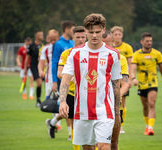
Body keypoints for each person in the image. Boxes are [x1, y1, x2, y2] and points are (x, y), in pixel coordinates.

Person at [59, 13, 121, 150]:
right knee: (87, 148)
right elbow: (65, 80)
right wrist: (62, 101)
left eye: (98, 32)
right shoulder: (74, 53)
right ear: (85, 31)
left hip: (105, 110)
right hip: (82, 111)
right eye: (91, 32)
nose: (94, 35)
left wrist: (117, 112)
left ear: (104, 30)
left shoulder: (113, 54)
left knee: (104, 146)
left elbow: (116, 84)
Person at [45, 26, 86, 150]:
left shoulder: (92, 53)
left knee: (88, 123)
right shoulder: (67, 53)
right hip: (71, 92)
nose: (80, 40)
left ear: (86, 37)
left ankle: (52, 123)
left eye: (83, 37)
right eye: (77, 37)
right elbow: (59, 73)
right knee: (73, 121)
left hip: (88, 93)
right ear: (73, 38)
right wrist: (70, 77)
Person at [131, 32, 162, 135]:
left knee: (151, 104)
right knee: (145, 106)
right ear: (141, 42)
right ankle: (147, 126)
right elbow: (133, 69)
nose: (149, 43)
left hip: (153, 83)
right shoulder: (136, 55)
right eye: (147, 41)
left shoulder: (157, 54)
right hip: (141, 84)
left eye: (151, 41)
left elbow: (161, 69)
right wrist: (133, 78)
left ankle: (150, 128)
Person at [102, 29, 129, 150]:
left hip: (114, 107)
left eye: (108, 43)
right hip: (96, 107)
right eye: (103, 43)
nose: (106, 46)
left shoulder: (120, 58)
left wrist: (113, 97)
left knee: (114, 143)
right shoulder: (92, 57)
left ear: (112, 41)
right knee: (96, 144)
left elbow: (125, 84)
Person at [111, 26, 133, 133]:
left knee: (122, 102)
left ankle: (121, 125)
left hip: (122, 76)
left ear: (122, 35)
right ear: (112, 36)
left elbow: (130, 64)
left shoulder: (127, 47)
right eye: (115, 34)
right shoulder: (109, 47)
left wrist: (131, 78)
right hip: (112, 77)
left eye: (119, 34)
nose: (117, 36)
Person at [51, 20, 75, 92]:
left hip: (73, 79)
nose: (74, 32)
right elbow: (54, 63)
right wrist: (55, 81)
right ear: (66, 30)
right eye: (72, 30)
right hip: (62, 78)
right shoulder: (58, 44)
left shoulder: (72, 42)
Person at [24, 30, 44, 107]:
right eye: (40, 34)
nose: (42, 36)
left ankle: (48, 100)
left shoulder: (44, 45)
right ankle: (38, 100)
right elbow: (27, 58)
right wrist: (25, 68)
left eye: (42, 34)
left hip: (43, 67)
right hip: (34, 67)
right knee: (39, 83)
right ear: (36, 36)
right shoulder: (31, 46)